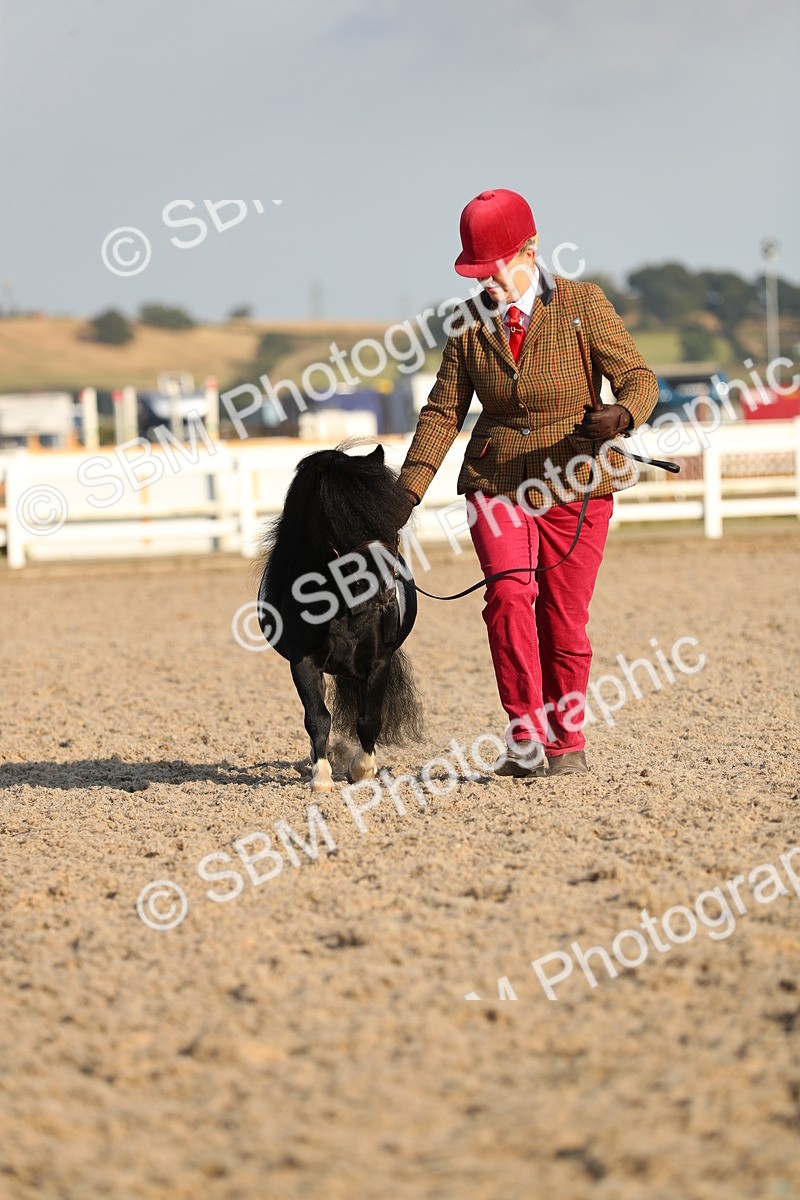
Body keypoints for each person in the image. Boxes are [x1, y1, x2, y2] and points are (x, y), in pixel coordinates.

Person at [395, 188, 658, 778]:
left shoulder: (583, 305)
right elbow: (442, 413)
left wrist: (622, 415)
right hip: (497, 479)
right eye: (474, 272)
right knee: (510, 597)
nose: (485, 283)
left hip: (577, 480)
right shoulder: (467, 327)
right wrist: (406, 492)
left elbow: (640, 378)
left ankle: (567, 739)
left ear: (530, 251)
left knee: (563, 618)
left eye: (492, 271)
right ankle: (525, 738)